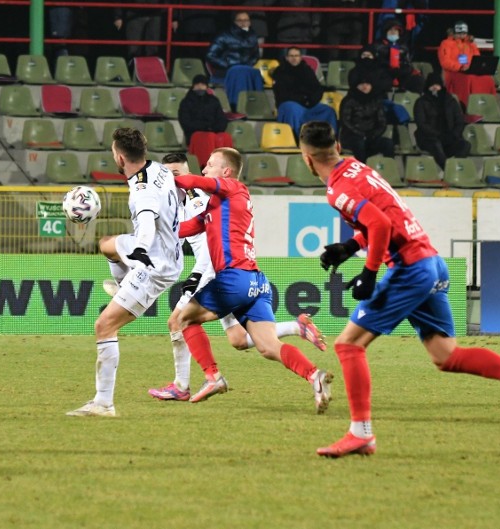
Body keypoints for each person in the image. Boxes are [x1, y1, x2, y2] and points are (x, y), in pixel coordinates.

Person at [297, 120, 500, 457]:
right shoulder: (358, 169)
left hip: (409, 269)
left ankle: (361, 433)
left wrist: (369, 271)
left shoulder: (337, 189)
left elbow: (381, 223)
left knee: (348, 345)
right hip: (430, 263)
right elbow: (387, 218)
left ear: (306, 158)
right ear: (338, 144)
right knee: (446, 355)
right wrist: (350, 247)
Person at [146, 152, 327, 401]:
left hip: (235, 278)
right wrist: (150, 232)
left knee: (183, 319)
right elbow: (186, 228)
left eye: (210, 165)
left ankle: (212, 377)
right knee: (267, 346)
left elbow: (194, 182)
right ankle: (314, 375)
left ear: (226, 172)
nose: (205, 169)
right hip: (255, 283)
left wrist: (160, 179)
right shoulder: (217, 206)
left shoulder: (233, 188)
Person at [66, 128, 184, 417]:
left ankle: (103, 403)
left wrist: (141, 249)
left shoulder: (141, 191)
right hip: (165, 251)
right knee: (108, 245)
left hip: (154, 264)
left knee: (104, 326)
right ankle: (123, 287)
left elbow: (145, 220)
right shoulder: (157, 169)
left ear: (119, 156)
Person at [272, 46, 338, 136]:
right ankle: (297, 139)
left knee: (328, 110)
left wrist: (311, 100)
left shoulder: (307, 70)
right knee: (293, 109)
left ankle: (329, 139)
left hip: (308, 103)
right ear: (286, 57)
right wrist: (303, 99)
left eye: (296, 56)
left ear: (300, 57)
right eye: (291, 56)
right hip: (289, 103)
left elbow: (317, 88)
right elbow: (282, 94)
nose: (294, 58)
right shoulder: (280, 71)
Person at [206, 11, 264, 111]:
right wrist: (227, 64)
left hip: (245, 68)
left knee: (255, 73)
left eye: (246, 20)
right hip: (227, 69)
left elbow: (256, 55)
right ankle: (237, 106)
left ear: (250, 22)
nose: (243, 23)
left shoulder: (252, 35)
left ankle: (257, 105)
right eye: (240, 20)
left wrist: (248, 65)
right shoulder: (224, 35)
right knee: (238, 71)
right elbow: (210, 55)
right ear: (234, 22)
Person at [413, 73, 470, 169]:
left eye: (437, 85)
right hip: (429, 138)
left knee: (465, 145)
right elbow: (422, 124)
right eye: (432, 85)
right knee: (436, 144)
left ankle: (456, 167)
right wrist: (438, 135)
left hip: (450, 137)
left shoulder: (450, 101)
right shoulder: (421, 102)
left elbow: (459, 121)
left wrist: (454, 134)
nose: (435, 88)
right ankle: (448, 170)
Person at [437, 20, 496, 107]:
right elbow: (445, 62)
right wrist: (460, 67)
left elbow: (477, 58)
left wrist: (475, 67)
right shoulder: (446, 43)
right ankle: (468, 106)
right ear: (454, 32)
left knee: (487, 79)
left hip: (469, 71)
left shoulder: (470, 44)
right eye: (459, 33)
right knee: (468, 78)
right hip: (453, 73)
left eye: (464, 33)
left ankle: (487, 106)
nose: (462, 36)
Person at [338, 75, 395, 161]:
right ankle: (362, 170)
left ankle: (389, 169)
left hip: (371, 136)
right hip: (351, 137)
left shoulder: (376, 100)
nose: (365, 86)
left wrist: (374, 134)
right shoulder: (348, 101)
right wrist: (361, 134)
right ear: (356, 86)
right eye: (361, 84)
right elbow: (345, 122)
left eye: (368, 84)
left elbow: (382, 121)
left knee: (388, 143)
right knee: (360, 144)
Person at [177, 74, 230, 165]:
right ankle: (207, 166)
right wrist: (205, 127)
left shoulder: (213, 100)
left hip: (213, 131)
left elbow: (221, 119)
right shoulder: (186, 102)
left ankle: (227, 165)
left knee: (225, 136)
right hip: (195, 133)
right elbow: (186, 123)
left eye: (202, 85)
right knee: (209, 137)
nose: (200, 87)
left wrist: (214, 128)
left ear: (206, 86)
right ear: (193, 86)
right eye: (197, 85)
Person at [371, 18, 423, 93]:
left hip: (401, 73)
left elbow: (408, 63)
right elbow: (377, 62)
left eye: (395, 30)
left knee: (417, 80)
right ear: (385, 32)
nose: (393, 32)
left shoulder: (404, 47)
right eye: (390, 30)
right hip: (384, 72)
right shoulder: (377, 45)